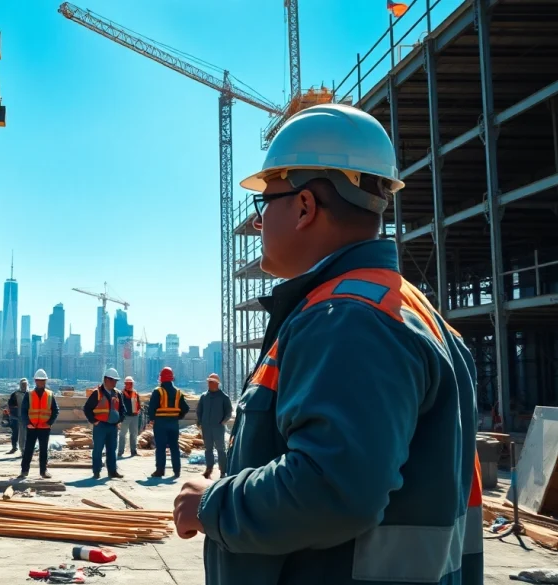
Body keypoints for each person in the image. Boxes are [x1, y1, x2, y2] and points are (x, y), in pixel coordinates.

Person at [172, 103, 482, 585]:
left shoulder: (347, 319)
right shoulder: (412, 312)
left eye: (264, 204)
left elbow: (332, 487)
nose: (258, 225)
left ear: (303, 207)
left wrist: (212, 506)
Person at [83, 368, 126, 479]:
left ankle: (112, 471)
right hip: (100, 426)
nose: (115, 383)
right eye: (113, 380)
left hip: (112, 427)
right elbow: (87, 409)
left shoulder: (117, 394)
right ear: (106, 379)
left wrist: (119, 420)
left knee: (112, 450)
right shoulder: (97, 393)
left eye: (116, 381)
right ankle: (96, 471)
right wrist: (94, 421)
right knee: (98, 449)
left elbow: (123, 410)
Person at [147, 366, 189, 478]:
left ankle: (160, 471)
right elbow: (185, 408)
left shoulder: (158, 391)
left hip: (160, 423)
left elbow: (151, 408)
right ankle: (177, 471)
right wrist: (178, 416)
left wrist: (151, 419)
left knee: (160, 447)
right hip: (173, 423)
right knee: (174, 447)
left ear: (161, 378)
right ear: (172, 378)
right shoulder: (178, 393)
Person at [18, 369, 59, 479]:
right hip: (32, 427)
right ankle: (24, 471)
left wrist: (49, 423)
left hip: (44, 428)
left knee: (44, 450)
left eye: (43, 380)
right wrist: (27, 423)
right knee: (28, 449)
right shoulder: (29, 395)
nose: (41, 382)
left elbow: (55, 410)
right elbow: (24, 411)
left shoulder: (50, 395)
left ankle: (43, 471)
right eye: (39, 380)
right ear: (35, 381)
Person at [195, 373, 231, 479]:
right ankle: (208, 469)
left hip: (218, 427)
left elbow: (228, 411)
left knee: (220, 449)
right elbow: (199, 410)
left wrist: (223, 422)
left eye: (211, 382)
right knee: (208, 449)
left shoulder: (224, 397)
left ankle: (223, 471)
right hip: (206, 427)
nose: (209, 384)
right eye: (208, 382)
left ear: (216, 383)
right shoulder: (204, 396)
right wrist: (200, 422)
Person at [117, 375, 142, 458]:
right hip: (125, 417)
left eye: (131, 384)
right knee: (122, 434)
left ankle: (133, 451)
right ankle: (120, 451)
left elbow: (138, 404)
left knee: (134, 434)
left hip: (134, 416)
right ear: (125, 384)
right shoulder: (121, 394)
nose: (130, 385)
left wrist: (138, 412)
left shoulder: (135, 393)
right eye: (128, 384)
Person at [5, 378, 28, 455]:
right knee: (15, 433)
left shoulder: (30, 394)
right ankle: (16, 447)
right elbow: (10, 405)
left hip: (26, 417)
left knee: (25, 434)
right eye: (22, 385)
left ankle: (24, 449)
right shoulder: (15, 394)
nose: (24, 386)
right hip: (16, 417)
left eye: (25, 385)